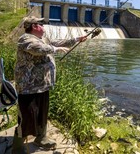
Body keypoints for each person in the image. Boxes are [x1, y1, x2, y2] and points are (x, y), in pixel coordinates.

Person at [12, 16, 87, 153]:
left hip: (42, 86)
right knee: (27, 117)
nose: (44, 26)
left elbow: (59, 42)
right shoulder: (26, 39)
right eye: (41, 24)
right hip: (28, 88)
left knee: (42, 114)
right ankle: (17, 147)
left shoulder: (43, 38)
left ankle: (41, 138)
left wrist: (77, 39)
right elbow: (36, 49)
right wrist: (55, 49)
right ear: (34, 26)